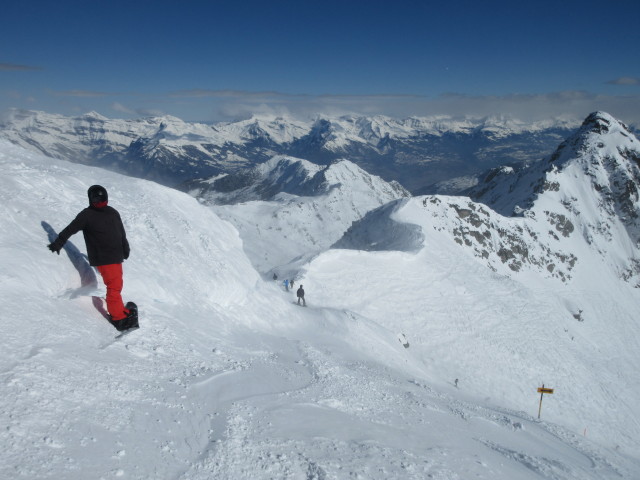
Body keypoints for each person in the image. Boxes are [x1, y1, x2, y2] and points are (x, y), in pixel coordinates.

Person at [48, 185, 137, 331]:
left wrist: (125, 248)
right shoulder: (87, 215)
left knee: (116, 285)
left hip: (115, 256)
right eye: (97, 199)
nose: (100, 201)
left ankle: (120, 310)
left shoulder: (112, 212)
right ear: (91, 200)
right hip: (104, 258)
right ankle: (119, 318)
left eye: (101, 198)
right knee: (114, 287)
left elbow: (120, 232)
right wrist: (58, 243)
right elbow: (70, 229)